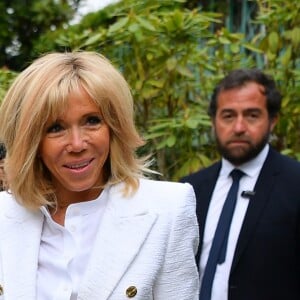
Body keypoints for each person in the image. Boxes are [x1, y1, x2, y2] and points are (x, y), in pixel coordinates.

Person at [0, 51, 199, 300]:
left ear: (115, 127)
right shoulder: (4, 216)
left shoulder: (167, 210)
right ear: (31, 143)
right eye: (56, 128)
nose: (77, 144)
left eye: (92, 121)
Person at [181, 69, 300, 300]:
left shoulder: (295, 185)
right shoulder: (190, 190)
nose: (238, 127)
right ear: (214, 121)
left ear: (273, 120)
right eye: (228, 116)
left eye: (252, 115)